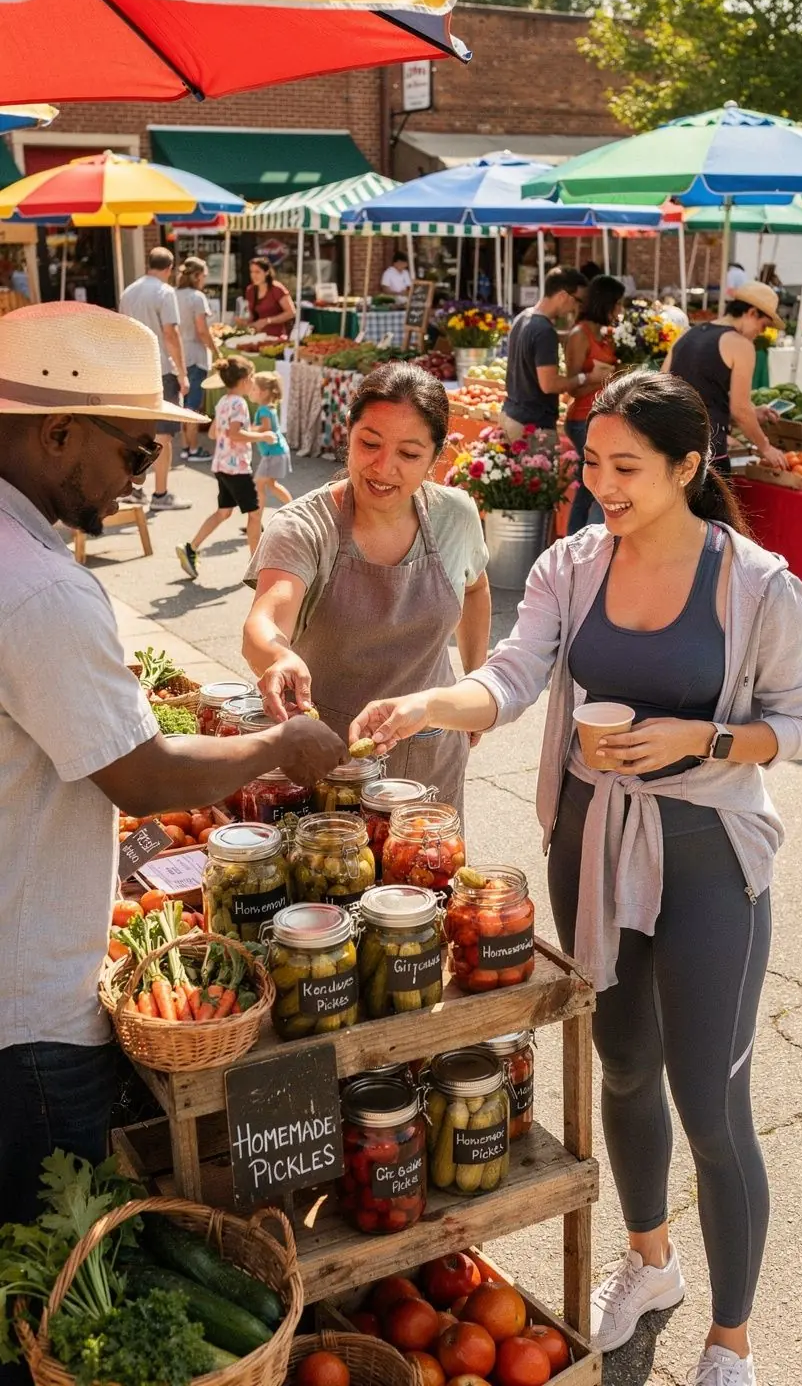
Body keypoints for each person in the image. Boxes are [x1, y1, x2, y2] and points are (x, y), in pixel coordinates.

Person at [348, 369, 802, 1386]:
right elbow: (514, 675)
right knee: (624, 1062)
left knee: (712, 1100)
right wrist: (432, 704)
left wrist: (713, 737)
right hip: (592, 844)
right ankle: (649, 1262)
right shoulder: (570, 564)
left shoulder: (759, 584)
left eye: (626, 468)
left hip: (707, 857)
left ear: (690, 467)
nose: (601, 483)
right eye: (591, 462)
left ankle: (729, 1342)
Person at [0, 301, 346, 1224]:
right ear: (59, 432)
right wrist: (279, 745)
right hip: (25, 1013)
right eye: (138, 449)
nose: (151, 475)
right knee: (45, 1279)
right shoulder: (42, 592)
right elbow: (141, 776)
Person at [242, 362, 492, 814]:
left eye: (409, 455)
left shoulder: (454, 515)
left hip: (431, 756)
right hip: (326, 762)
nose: (384, 467)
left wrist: (476, 679)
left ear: (436, 457)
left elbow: (474, 589)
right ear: (348, 434)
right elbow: (267, 617)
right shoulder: (303, 526)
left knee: (427, 872)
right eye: (370, 444)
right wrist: (278, 656)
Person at [663, 279, 787, 474]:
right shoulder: (741, 344)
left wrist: (754, 414)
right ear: (752, 313)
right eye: (762, 326)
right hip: (709, 453)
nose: (759, 333)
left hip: (670, 448)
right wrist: (766, 447)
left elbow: (663, 387)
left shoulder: (687, 335)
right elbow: (740, 409)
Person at [177, 357, 273, 579]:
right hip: (236, 467)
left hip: (221, 465)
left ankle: (191, 548)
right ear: (243, 380)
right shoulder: (239, 404)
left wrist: (248, 430)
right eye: (251, 378)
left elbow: (213, 433)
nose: (252, 383)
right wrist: (262, 436)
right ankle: (256, 569)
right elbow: (235, 434)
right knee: (255, 514)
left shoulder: (222, 402)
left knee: (224, 512)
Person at [500, 266, 610, 443]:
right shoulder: (544, 331)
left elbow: (534, 343)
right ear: (563, 296)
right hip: (533, 427)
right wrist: (587, 378)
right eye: (577, 300)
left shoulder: (523, 317)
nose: (577, 307)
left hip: (511, 415)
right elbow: (549, 384)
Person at [119, 246, 190, 511]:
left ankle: (133, 489)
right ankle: (161, 494)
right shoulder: (165, 291)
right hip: (159, 370)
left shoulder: (129, 291)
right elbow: (171, 334)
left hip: (133, 370)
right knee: (163, 436)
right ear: (169, 268)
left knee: (137, 434)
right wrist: (183, 373)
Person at [564, 274, 625, 533]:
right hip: (582, 419)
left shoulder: (606, 335)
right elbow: (572, 386)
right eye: (618, 303)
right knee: (601, 483)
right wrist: (601, 379)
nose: (621, 310)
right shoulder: (580, 334)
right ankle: (592, 542)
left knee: (588, 488)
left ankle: (576, 540)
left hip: (601, 418)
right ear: (606, 302)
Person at [176, 255, 218, 460]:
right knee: (193, 405)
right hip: (195, 355)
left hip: (177, 355)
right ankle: (193, 449)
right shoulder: (196, 297)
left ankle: (186, 447)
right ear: (197, 276)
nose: (204, 280)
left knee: (183, 404)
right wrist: (216, 352)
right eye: (204, 276)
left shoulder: (172, 294)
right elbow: (202, 330)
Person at [251, 371, 293, 510]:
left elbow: (266, 428)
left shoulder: (263, 409)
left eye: (254, 389)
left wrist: (250, 430)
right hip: (276, 452)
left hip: (273, 454)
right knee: (269, 485)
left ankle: (256, 519)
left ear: (263, 392)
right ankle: (292, 507)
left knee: (259, 484)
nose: (251, 391)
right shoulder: (268, 407)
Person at [239, 257, 295, 340]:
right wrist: (243, 321)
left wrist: (267, 321)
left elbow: (291, 313)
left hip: (277, 337)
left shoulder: (277, 289)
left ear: (267, 272)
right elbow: (251, 314)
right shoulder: (250, 290)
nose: (253, 275)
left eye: (257, 272)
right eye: (251, 272)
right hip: (256, 336)